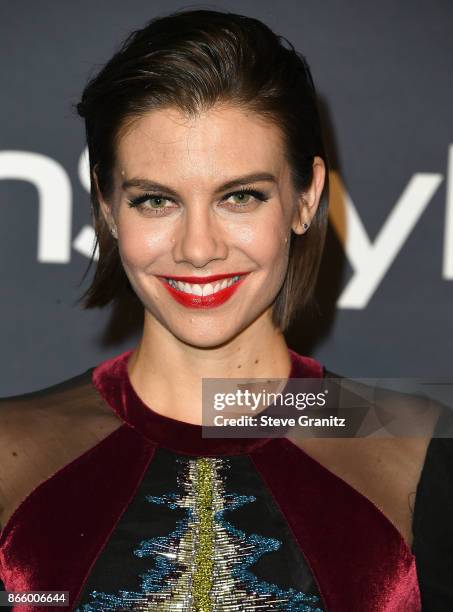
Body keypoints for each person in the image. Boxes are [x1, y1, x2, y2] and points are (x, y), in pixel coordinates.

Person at [0, 8, 451, 611]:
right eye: (156, 200)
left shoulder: (419, 447)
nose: (198, 249)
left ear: (305, 198)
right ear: (108, 209)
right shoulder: (11, 449)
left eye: (240, 196)